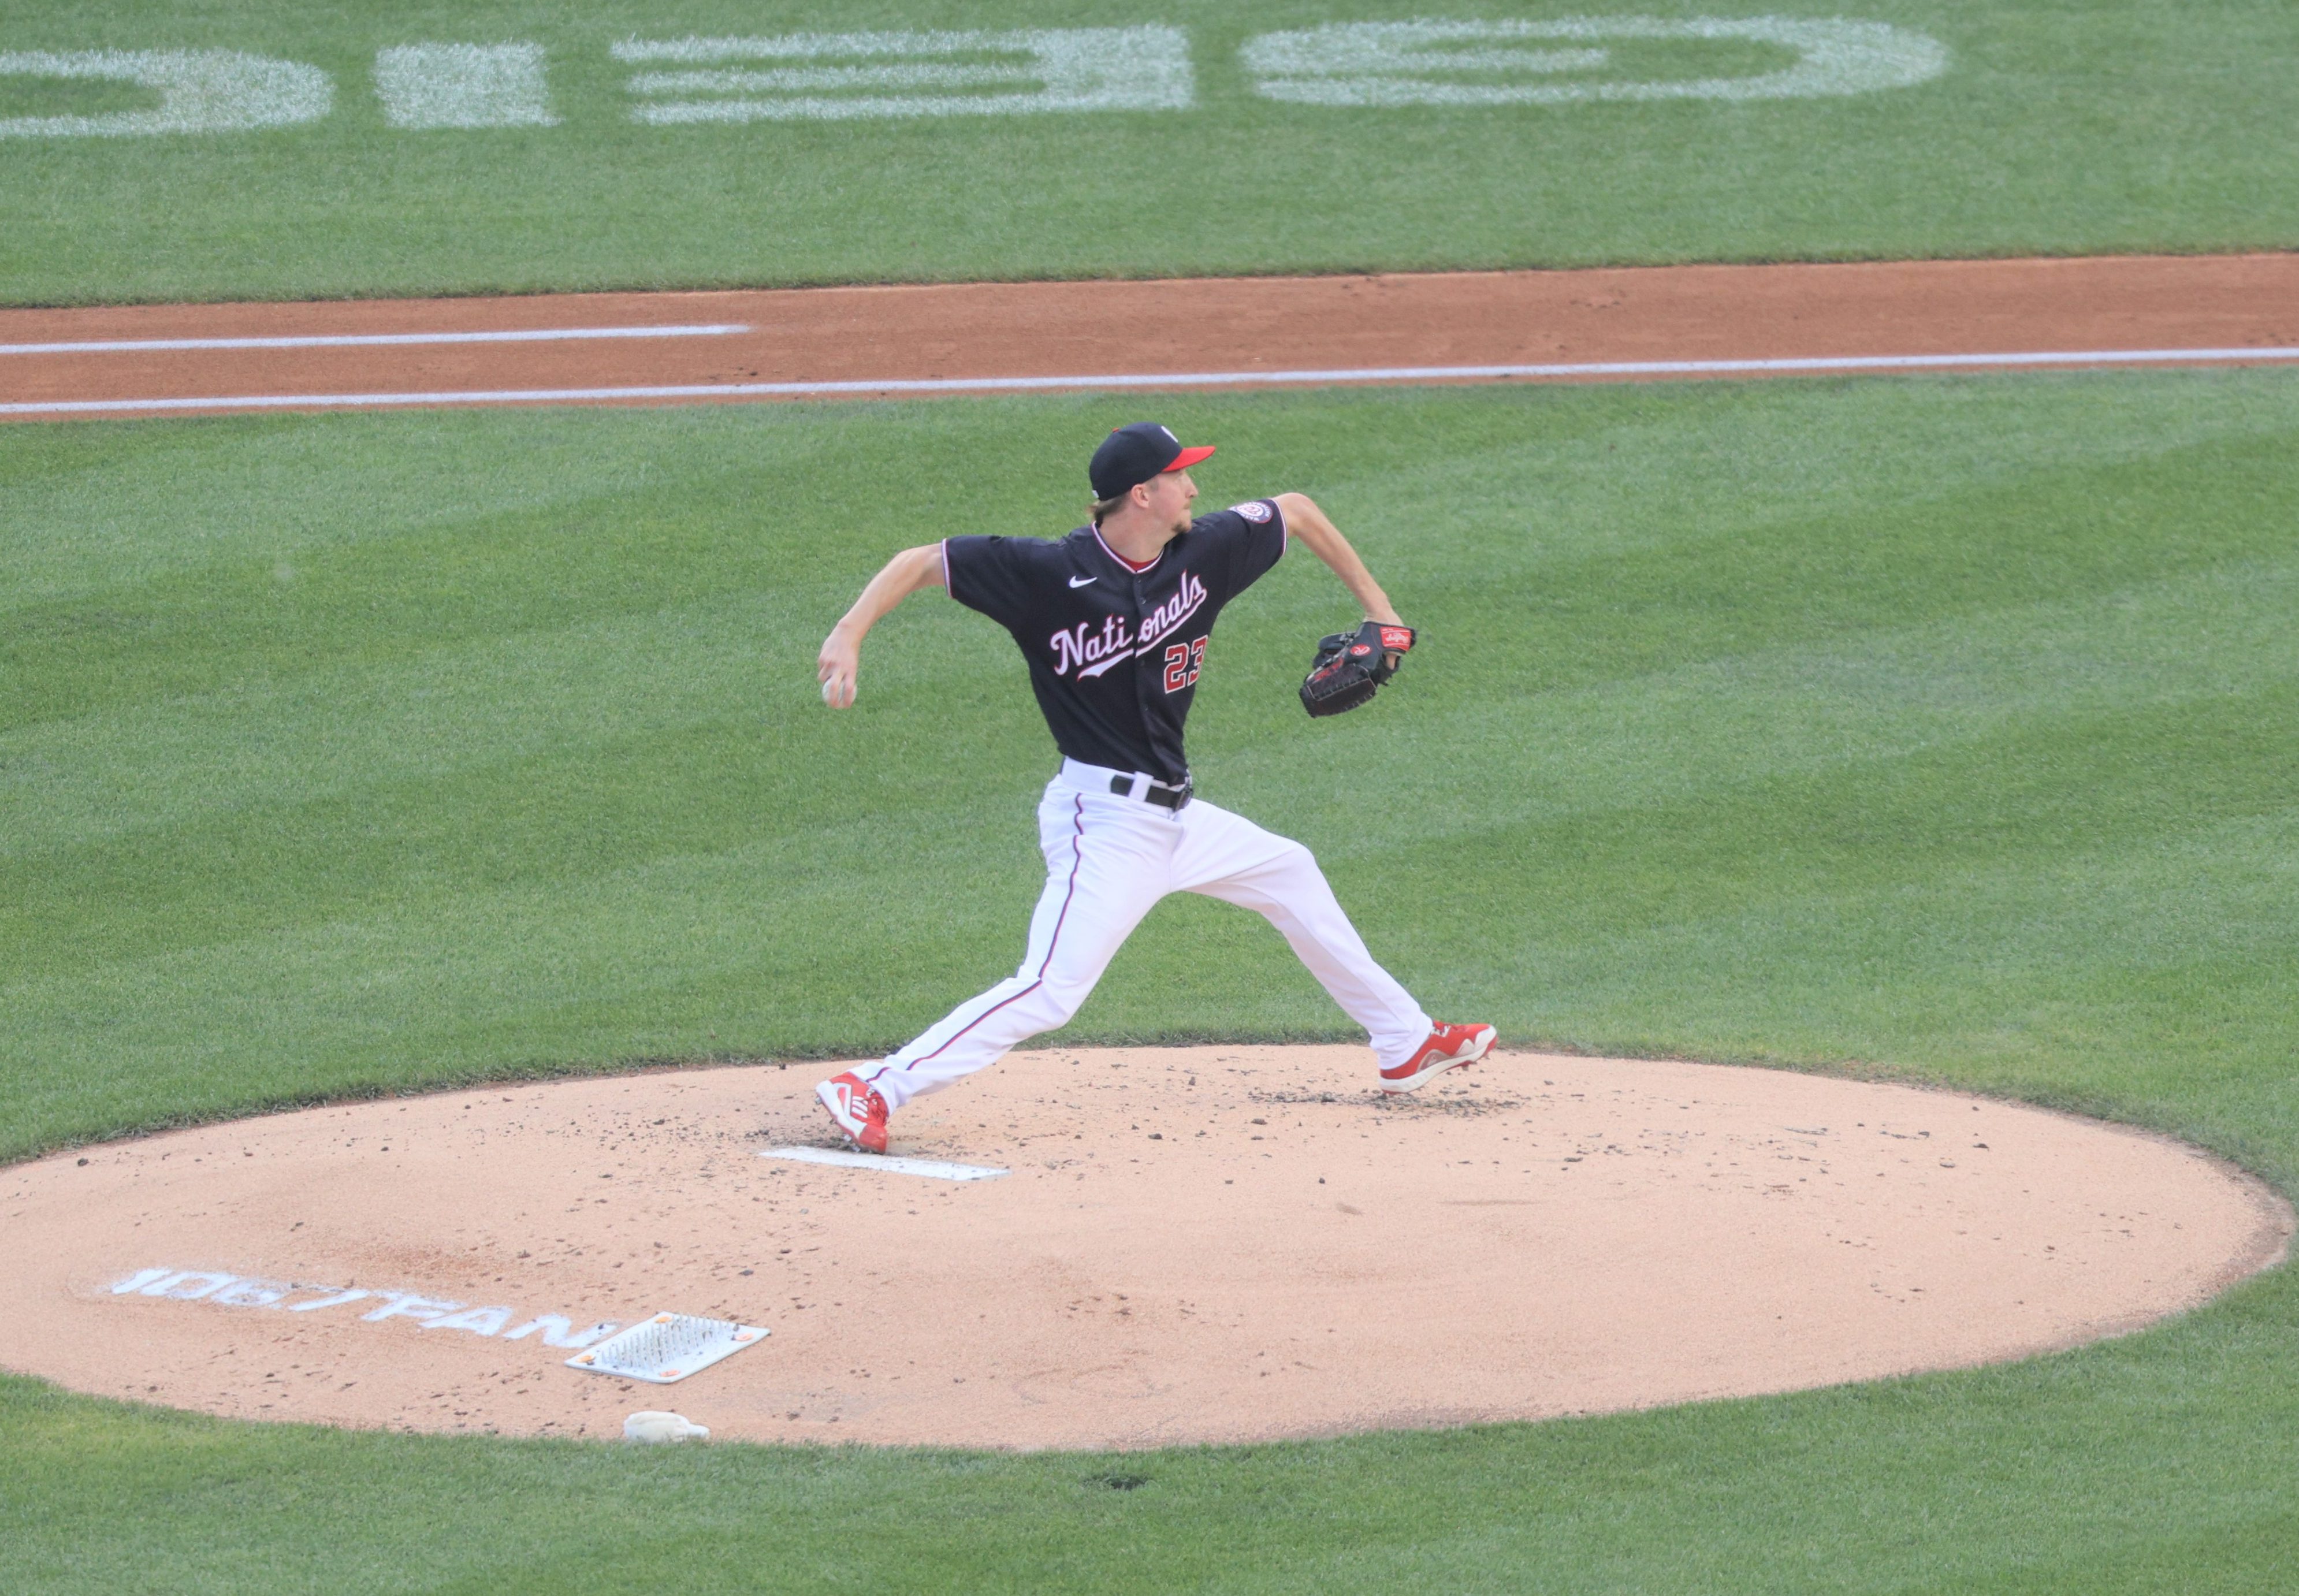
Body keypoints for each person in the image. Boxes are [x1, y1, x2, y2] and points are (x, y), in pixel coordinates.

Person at [811, 422, 1494, 1152]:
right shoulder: (1046, 573)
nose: (1194, 488)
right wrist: (850, 632)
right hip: (1102, 821)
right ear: (1143, 493)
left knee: (1288, 869)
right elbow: (923, 562)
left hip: (1178, 817)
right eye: (1180, 476)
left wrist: (1381, 616)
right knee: (1051, 987)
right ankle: (874, 1086)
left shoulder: (1205, 553)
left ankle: (1404, 1040)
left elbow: (1295, 510)